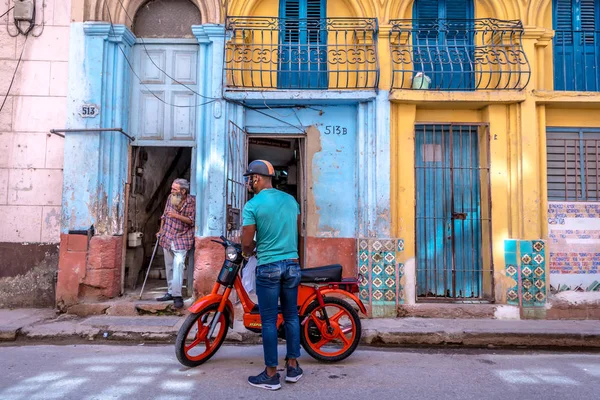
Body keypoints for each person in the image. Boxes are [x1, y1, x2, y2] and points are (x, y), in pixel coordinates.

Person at [242, 160, 303, 391]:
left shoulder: (253, 205)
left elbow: (247, 243)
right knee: (291, 316)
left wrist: (248, 252)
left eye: (250, 178)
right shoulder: (290, 200)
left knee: (268, 320)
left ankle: (270, 374)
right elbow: (296, 231)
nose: (249, 182)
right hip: (292, 265)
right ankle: (293, 367)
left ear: (256, 178)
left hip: (268, 266)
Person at [155, 178, 195, 309]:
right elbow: (165, 216)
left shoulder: (191, 202)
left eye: (174, 189)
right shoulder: (170, 198)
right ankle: (171, 291)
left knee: (179, 265)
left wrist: (176, 216)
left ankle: (177, 295)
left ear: (183, 191)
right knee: (169, 266)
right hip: (168, 235)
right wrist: (161, 230)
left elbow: (192, 221)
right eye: (172, 188)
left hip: (182, 237)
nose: (172, 191)